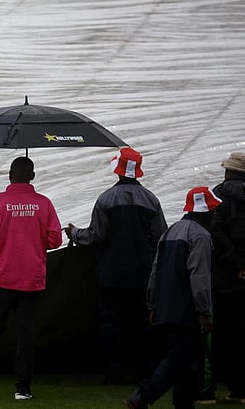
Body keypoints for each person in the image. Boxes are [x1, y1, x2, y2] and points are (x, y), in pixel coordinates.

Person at [63, 147, 167, 384]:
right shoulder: (151, 200)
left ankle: (114, 372)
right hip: (143, 274)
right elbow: (160, 236)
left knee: (112, 323)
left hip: (111, 274)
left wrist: (73, 233)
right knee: (144, 323)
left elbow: (94, 235)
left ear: (118, 171)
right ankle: (147, 372)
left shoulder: (106, 199)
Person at [0, 156, 62, 401]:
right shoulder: (44, 204)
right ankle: (23, 388)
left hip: (0, 279)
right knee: (26, 335)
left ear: (9, 175)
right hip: (31, 280)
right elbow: (55, 240)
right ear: (32, 176)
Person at [126, 186, 221, 409]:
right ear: (204, 212)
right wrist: (204, 311)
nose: (215, 215)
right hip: (187, 309)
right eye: (213, 210)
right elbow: (199, 277)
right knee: (179, 358)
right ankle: (143, 396)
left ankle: (182, 403)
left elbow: (155, 271)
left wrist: (152, 304)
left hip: (166, 307)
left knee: (186, 360)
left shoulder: (171, 231)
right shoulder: (201, 236)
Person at [202, 152, 245, 403]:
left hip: (220, 278)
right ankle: (239, 390)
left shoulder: (217, 196)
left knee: (214, 334)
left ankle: (208, 391)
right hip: (242, 279)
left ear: (228, 171)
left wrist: (234, 264)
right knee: (241, 334)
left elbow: (214, 233)